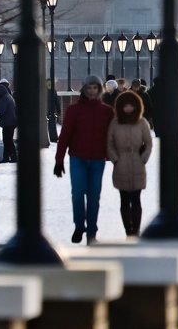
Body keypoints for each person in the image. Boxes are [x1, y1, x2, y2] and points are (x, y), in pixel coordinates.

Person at [54, 75, 115, 244]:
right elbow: (65, 136)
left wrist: (117, 155)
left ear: (99, 89)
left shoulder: (107, 111)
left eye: (95, 88)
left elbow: (114, 134)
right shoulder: (74, 110)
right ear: (84, 89)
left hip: (97, 159)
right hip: (78, 158)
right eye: (89, 88)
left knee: (94, 196)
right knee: (78, 193)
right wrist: (59, 161)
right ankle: (80, 225)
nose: (92, 91)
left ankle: (92, 232)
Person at [107, 90, 153, 238]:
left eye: (131, 106)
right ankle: (128, 230)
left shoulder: (142, 123)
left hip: (137, 162)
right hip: (121, 163)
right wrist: (115, 159)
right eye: (125, 106)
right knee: (124, 199)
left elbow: (149, 143)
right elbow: (110, 144)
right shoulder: (115, 123)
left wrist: (143, 159)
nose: (128, 109)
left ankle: (136, 230)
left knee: (136, 199)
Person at [0, 78, 17, 163]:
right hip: (11, 122)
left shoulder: (4, 99)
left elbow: (1, 111)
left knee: (7, 140)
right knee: (8, 140)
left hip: (8, 122)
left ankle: (10, 157)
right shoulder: (8, 96)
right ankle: (10, 157)